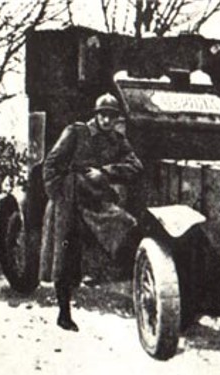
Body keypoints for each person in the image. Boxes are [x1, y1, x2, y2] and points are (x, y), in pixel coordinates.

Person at [40, 93, 144, 332]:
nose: (107, 121)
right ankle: (64, 313)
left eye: (111, 116)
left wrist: (106, 172)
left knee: (125, 226)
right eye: (103, 115)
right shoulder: (76, 132)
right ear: (96, 115)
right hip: (68, 198)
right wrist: (59, 196)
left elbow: (136, 166)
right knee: (63, 256)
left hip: (96, 201)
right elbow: (51, 164)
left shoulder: (117, 140)